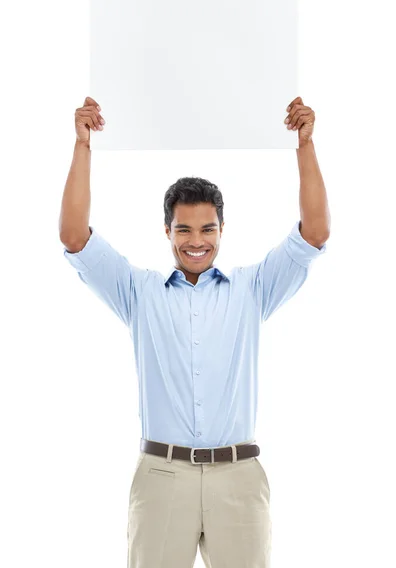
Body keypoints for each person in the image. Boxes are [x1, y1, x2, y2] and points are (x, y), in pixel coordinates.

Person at [59, 96, 330, 567]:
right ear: (167, 231)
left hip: (238, 476)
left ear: (223, 229)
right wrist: (83, 146)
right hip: (162, 477)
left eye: (208, 228)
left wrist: (304, 146)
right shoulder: (139, 291)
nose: (197, 241)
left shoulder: (253, 288)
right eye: (184, 230)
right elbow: (74, 237)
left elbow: (314, 233)